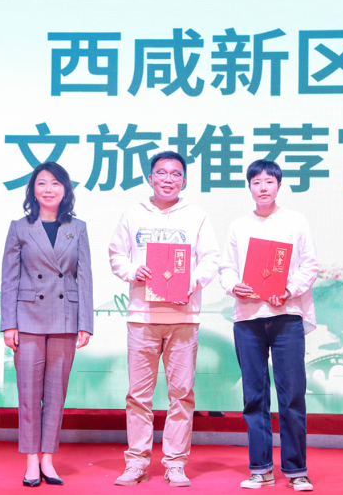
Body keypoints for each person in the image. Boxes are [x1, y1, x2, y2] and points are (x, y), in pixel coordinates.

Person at [108, 150, 220, 487]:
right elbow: (116, 254)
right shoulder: (133, 214)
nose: (168, 179)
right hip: (142, 316)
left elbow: (210, 259)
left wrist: (191, 281)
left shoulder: (196, 215)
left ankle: (175, 463)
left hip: (184, 316)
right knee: (138, 395)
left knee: (181, 394)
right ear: (150, 178)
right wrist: (134, 271)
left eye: (175, 174)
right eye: (161, 172)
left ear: (183, 180)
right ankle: (136, 462)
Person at [219, 160, 318, 492]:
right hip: (248, 319)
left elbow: (310, 264)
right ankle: (260, 469)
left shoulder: (296, 221)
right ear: (249, 187)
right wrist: (234, 286)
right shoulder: (238, 226)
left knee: (292, 395)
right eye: (256, 182)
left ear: (279, 185)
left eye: (269, 181)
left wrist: (288, 290)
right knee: (254, 397)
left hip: (287, 315)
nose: (263, 187)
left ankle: (296, 470)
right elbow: (226, 268)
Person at [0, 161, 93, 487]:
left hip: (65, 317)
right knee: (29, 394)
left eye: (55, 183)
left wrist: (85, 323)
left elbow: (85, 278)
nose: (48, 188)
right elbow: (9, 279)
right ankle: (30, 460)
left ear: (65, 190)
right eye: (42, 183)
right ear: (33, 190)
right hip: (27, 319)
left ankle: (48, 460)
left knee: (56, 394)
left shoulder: (77, 228)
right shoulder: (19, 228)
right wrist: (8, 324)